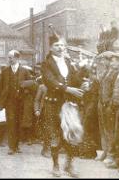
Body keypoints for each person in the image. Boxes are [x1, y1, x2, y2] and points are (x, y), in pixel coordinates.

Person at [41, 35, 84, 177]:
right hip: (53, 103)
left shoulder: (68, 62)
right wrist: (67, 89)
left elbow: (75, 80)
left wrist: (83, 75)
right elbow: (50, 81)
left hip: (68, 105)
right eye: (57, 45)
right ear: (51, 48)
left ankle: (69, 165)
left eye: (62, 46)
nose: (60, 48)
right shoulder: (46, 63)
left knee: (71, 133)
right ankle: (56, 165)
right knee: (56, 134)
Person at [0, 50, 32, 155]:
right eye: (8, 57)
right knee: (11, 124)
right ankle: (11, 147)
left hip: (21, 102)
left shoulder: (25, 71)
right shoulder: (5, 71)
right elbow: (0, 87)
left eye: (10, 57)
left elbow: (31, 85)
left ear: (17, 58)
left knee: (19, 124)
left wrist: (24, 89)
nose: (9, 59)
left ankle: (17, 146)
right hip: (9, 102)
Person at [98, 52, 119, 165]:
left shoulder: (117, 73)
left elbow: (115, 89)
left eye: (114, 60)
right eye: (111, 60)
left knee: (111, 131)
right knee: (105, 129)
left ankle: (111, 154)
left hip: (110, 105)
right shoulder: (107, 71)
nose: (111, 62)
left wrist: (110, 103)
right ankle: (106, 151)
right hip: (103, 103)